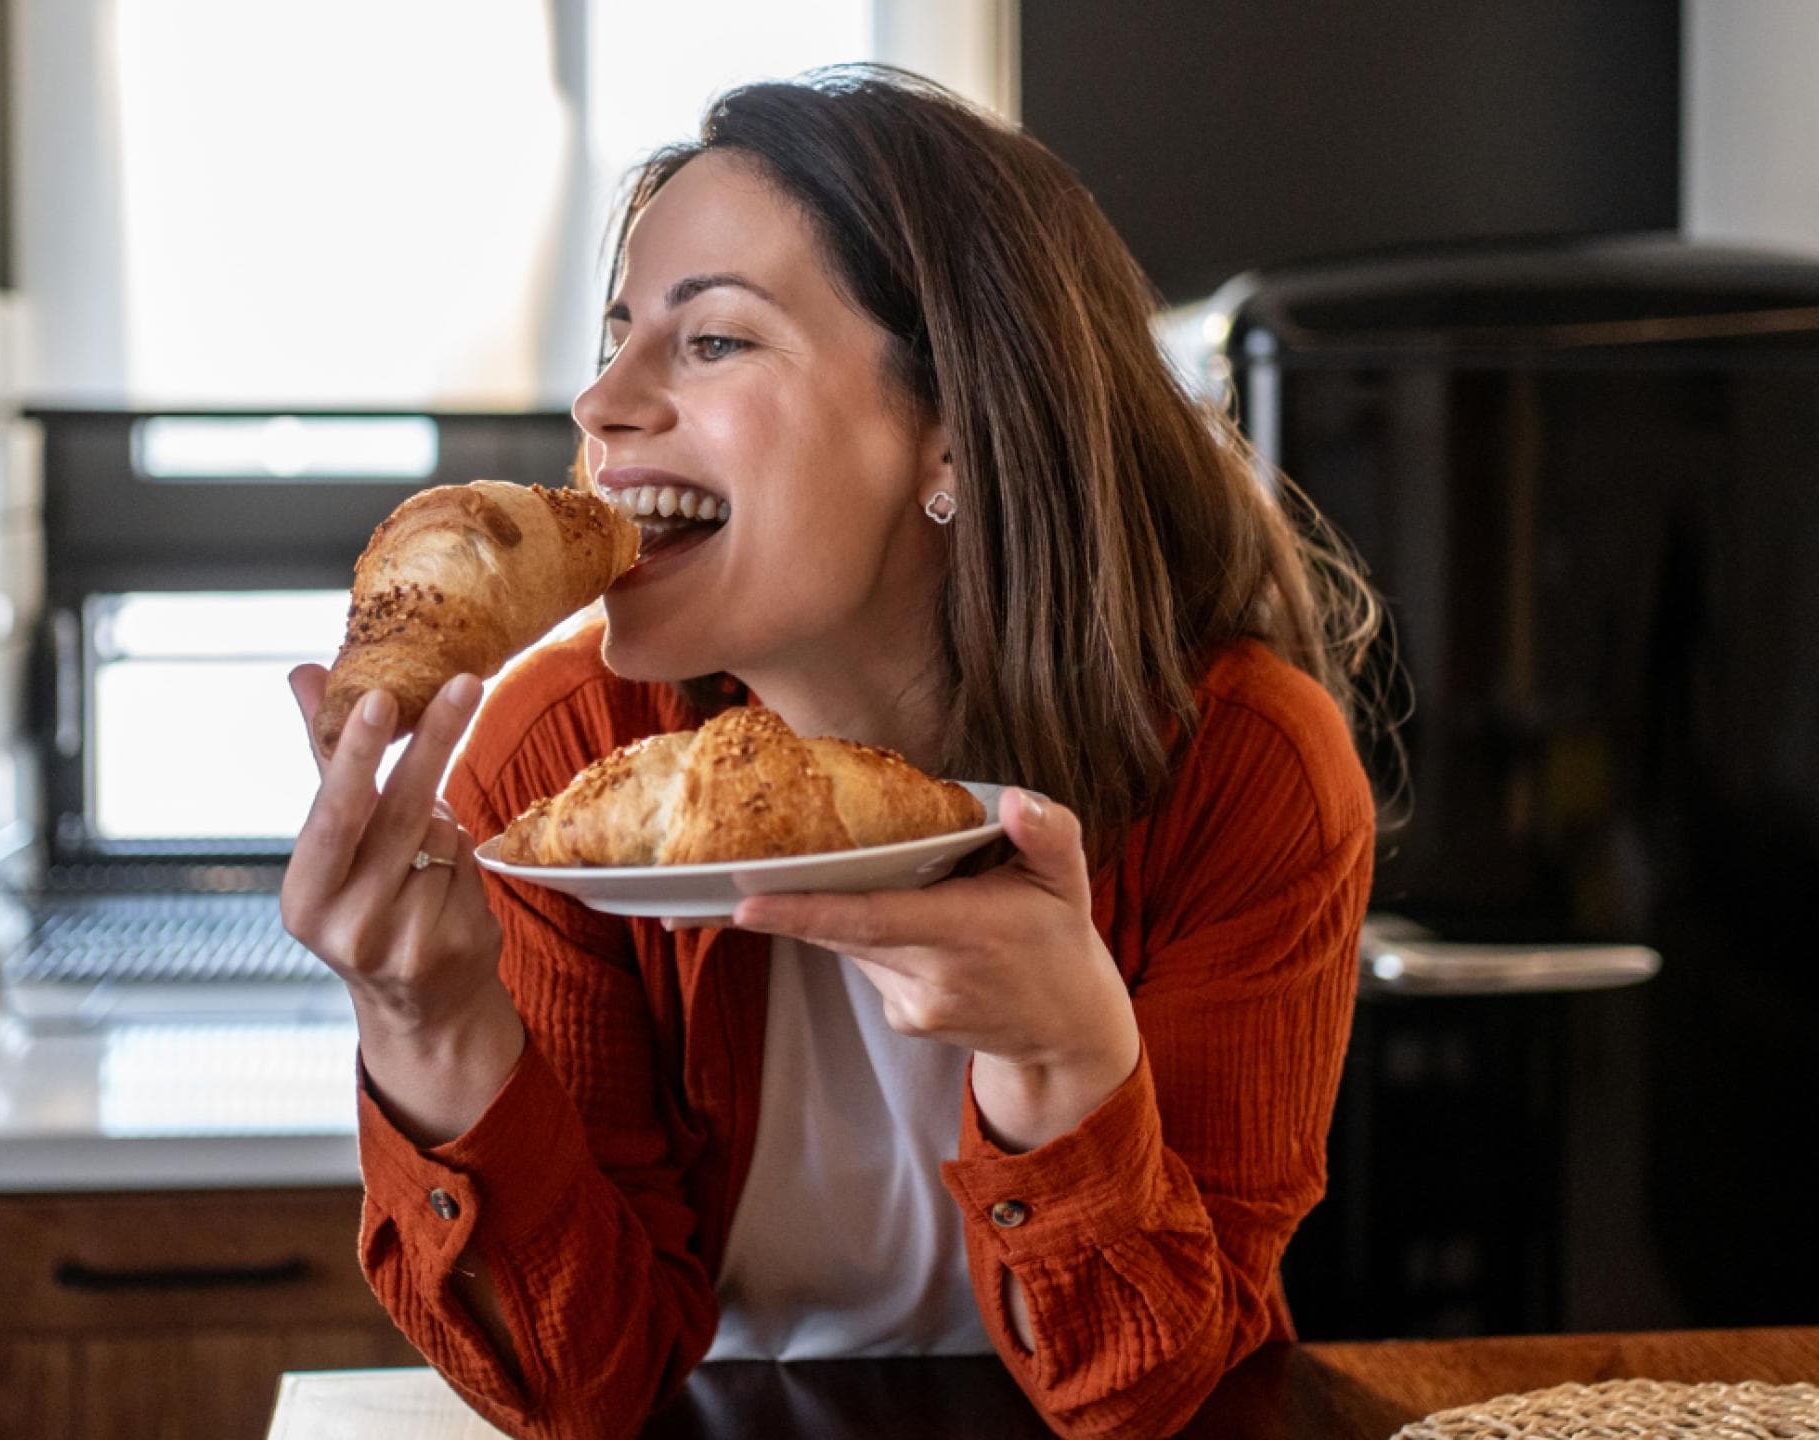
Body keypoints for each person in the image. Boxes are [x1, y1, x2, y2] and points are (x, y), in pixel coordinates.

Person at [282, 66, 1390, 1440]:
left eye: (714, 342)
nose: (604, 401)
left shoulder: (1240, 767)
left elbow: (1153, 1392)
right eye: (619, 332)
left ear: (955, 435)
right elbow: (583, 1389)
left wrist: (1063, 1072)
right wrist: (429, 1026)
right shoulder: (564, 770)